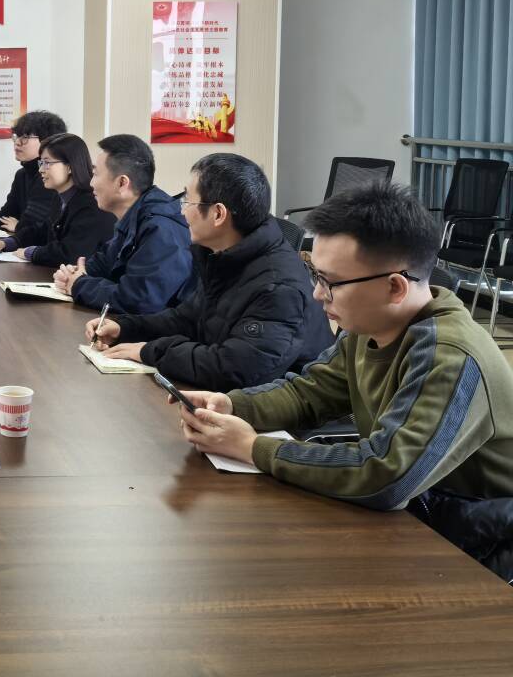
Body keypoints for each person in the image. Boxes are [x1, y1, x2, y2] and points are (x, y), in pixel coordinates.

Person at [173, 182, 513, 579]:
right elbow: (310, 392)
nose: (318, 294)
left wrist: (251, 447)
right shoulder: (369, 326)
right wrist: (233, 404)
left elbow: (387, 475)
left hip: (481, 538)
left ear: (395, 287)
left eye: (330, 281)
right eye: (315, 275)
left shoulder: (450, 355)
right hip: (424, 512)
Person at [85, 153, 333, 389]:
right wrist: (124, 328)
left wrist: (149, 351)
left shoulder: (278, 288)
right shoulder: (223, 255)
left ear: (218, 214)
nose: (182, 211)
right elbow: (187, 319)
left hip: (272, 411)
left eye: (188, 201)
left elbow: (233, 370)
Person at [52, 134, 195, 314]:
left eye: (95, 174)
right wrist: (73, 274)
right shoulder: (135, 216)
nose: (91, 183)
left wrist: (79, 284)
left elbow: (139, 300)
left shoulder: (161, 227)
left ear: (122, 183)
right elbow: (104, 264)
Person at [0, 133, 114, 267]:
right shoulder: (60, 197)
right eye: (41, 162)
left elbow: (70, 253)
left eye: (47, 163)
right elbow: (43, 231)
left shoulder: (91, 204)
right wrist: (7, 243)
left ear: (70, 167)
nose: (41, 169)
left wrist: (30, 252)